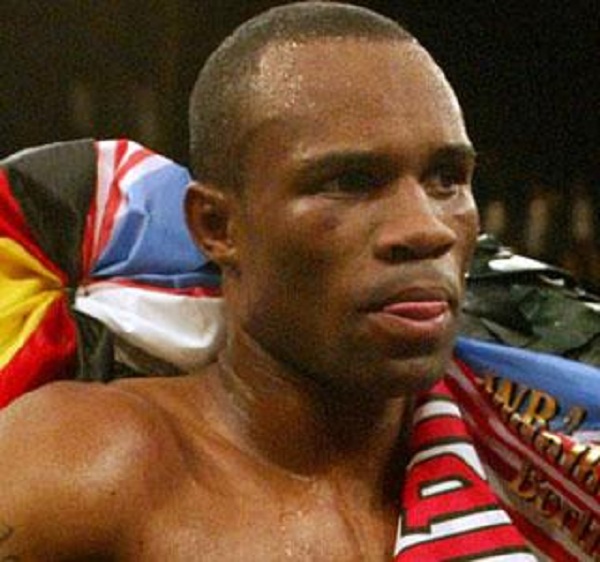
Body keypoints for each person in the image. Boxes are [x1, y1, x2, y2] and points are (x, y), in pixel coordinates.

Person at [0, 3, 597, 561]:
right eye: (350, 182)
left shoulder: (554, 477)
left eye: (447, 178)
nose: (426, 229)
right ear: (217, 227)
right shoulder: (92, 469)